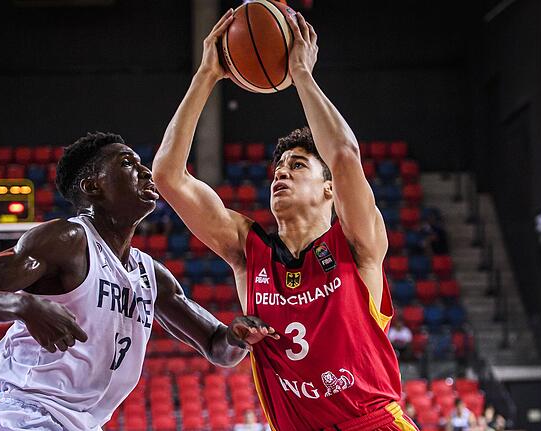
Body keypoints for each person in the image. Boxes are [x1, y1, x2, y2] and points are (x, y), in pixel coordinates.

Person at [153, 8, 418, 431]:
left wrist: (301, 76)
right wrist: (206, 75)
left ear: (328, 188)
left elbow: (346, 157)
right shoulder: (248, 250)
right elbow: (167, 177)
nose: (281, 172)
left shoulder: (357, 243)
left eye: (297, 166)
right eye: (278, 168)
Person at [0, 132, 278, 431]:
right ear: (92, 186)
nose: (145, 171)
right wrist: (22, 305)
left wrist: (238, 336)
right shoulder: (66, 240)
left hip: (85, 423)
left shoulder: (150, 275)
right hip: (26, 417)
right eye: (128, 164)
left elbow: (218, 347)